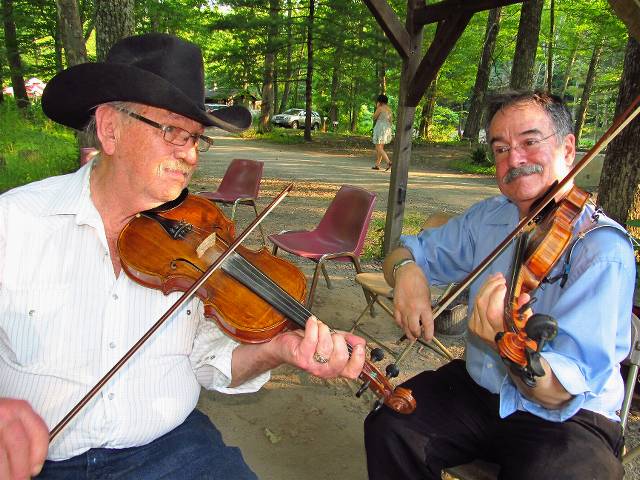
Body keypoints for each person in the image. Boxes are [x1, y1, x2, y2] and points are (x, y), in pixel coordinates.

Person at [0, 33, 366, 480]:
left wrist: (278, 350)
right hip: (38, 461)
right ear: (110, 128)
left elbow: (207, 360)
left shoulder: (198, 234)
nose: (191, 154)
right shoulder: (14, 221)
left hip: (171, 449)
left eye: (196, 138)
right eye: (172, 131)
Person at [364, 90, 636, 479]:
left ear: (568, 148)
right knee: (390, 426)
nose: (515, 160)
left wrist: (502, 344)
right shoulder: (490, 218)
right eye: (500, 148)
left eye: (529, 142)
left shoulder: (601, 249)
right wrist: (407, 271)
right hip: (482, 391)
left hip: (568, 414)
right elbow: (405, 251)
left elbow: (559, 392)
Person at [371, 94, 393, 171]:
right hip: (387, 128)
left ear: (380, 101)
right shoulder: (389, 109)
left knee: (378, 147)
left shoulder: (380, 108)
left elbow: (374, 117)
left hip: (380, 127)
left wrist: (377, 107)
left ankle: (388, 162)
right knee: (381, 147)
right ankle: (377, 165)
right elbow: (391, 121)